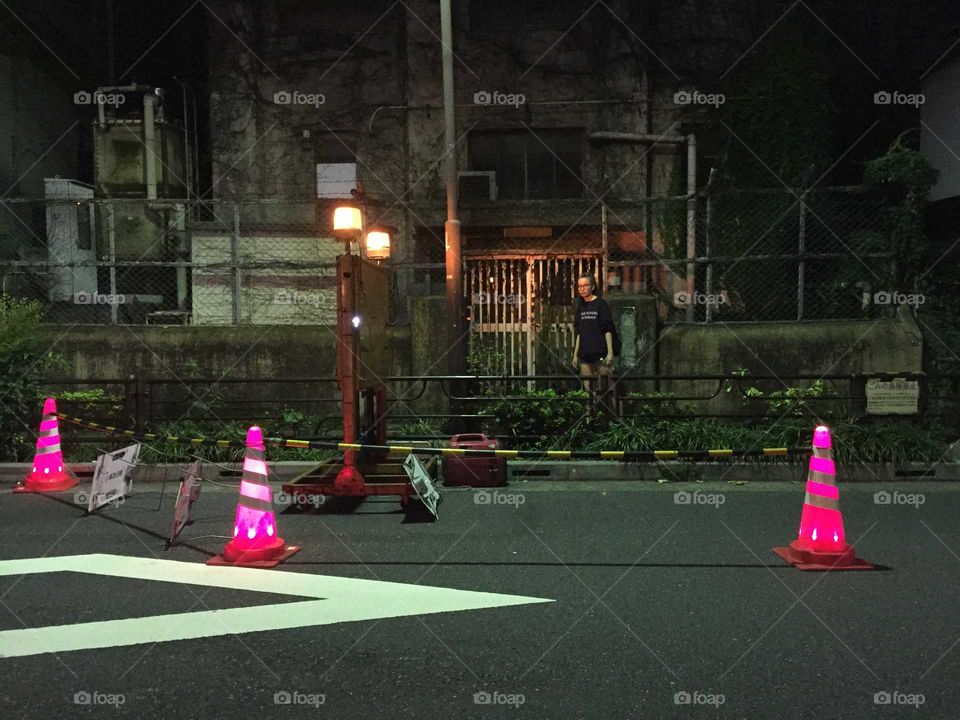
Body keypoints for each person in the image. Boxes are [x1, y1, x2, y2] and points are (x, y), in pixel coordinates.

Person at [571, 273, 615, 390]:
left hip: (601, 354)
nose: (582, 288)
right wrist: (575, 355)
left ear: (593, 287)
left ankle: (612, 408)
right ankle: (590, 409)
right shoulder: (580, 306)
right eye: (580, 286)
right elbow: (579, 332)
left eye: (585, 285)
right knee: (587, 391)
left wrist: (610, 353)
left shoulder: (601, 304)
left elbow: (607, 329)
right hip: (585, 355)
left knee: (607, 389)